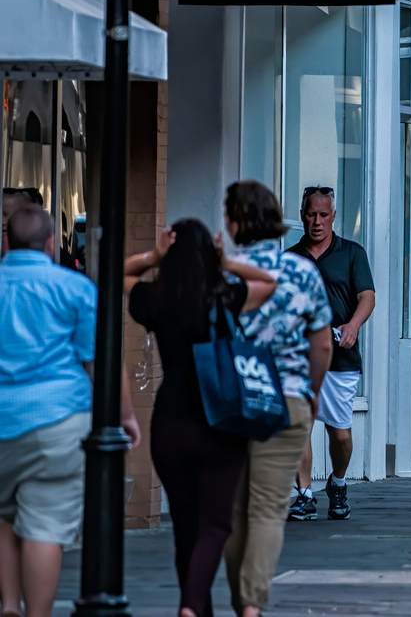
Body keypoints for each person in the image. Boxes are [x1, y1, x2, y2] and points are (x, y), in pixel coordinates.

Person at [126, 220, 276, 617]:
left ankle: (195, 607)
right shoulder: (225, 295)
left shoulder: (156, 298)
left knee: (185, 527)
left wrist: (154, 256)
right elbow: (268, 282)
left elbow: (122, 273)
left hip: (170, 422)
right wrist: (226, 261)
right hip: (220, 418)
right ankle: (192, 606)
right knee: (216, 523)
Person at [0, 205, 136, 617]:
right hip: (59, 419)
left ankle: (8, 604)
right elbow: (101, 361)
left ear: (5, 243)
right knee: (44, 525)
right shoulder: (75, 288)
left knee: (3, 516)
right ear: (48, 245)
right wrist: (125, 416)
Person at [220, 182, 332, 617]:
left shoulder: (221, 272)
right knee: (268, 507)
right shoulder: (301, 271)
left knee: (233, 510)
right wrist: (313, 390)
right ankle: (251, 603)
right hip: (287, 397)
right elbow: (321, 344)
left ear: (232, 222)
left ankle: (240, 598)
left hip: (232, 400)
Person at [286, 187, 373, 523]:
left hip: (340, 357)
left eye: (323, 215)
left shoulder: (351, 253)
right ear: (302, 215)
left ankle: (338, 483)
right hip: (300, 356)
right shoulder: (290, 258)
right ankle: (305, 495)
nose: (317, 221)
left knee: (339, 432)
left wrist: (352, 326)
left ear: (333, 217)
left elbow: (367, 296)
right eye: (311, 214)